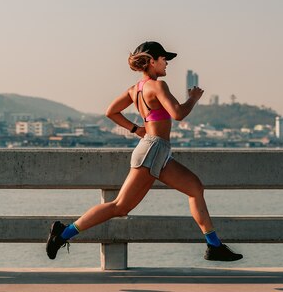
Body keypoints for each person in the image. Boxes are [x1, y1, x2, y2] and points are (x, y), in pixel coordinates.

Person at [46, 41, 243, 262]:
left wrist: (136, 129)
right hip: (152, 150)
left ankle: (214, 246)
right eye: (163, 59)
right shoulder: (158, 86)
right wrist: (193, 99)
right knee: (119, 207)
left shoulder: (135, 89)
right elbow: (177, 114)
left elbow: (111, 111)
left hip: (155, 149)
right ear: (151, 61)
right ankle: (63, 234)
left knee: (195, 188)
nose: (166, 62)